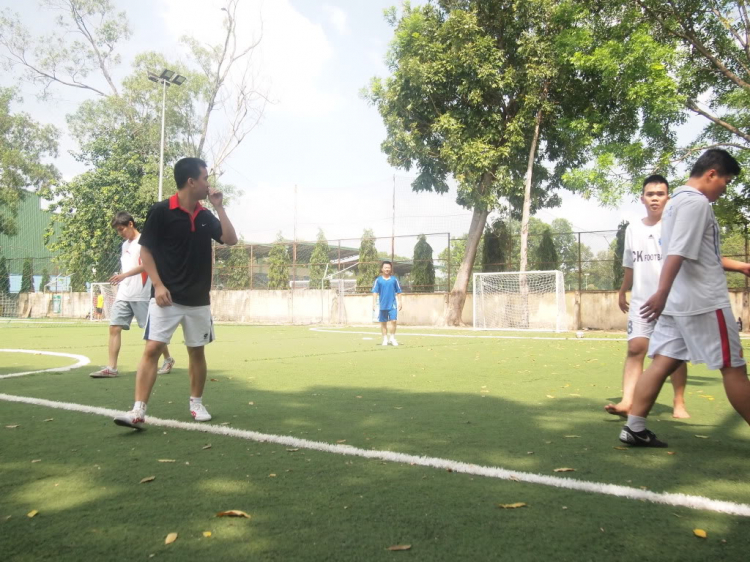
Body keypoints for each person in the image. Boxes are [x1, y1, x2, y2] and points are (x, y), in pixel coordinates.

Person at [620, 149, 750, 447]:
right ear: (712, 174)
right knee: (733, 367)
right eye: (726, 181)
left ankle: (634, 428)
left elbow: (700, 254)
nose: (725, 188)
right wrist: (661, 293)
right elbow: (677, 252)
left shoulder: (676, 203)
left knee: (663, 361)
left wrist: (741, 266)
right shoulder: (696, 203)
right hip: (702, 301)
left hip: (679, 302)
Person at [114, 158, 238, 429]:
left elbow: (230, 239)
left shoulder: (205, 216)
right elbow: (146, 251)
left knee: (197, 351)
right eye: (205, 178)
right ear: (191, 181)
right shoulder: (160, 211)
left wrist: (219, 207)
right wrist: (157, 285)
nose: (208, 183)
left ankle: (196, 403)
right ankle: (137, 411)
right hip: (166, 297)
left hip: (198, 300)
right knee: (153, 349)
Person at [605, 175, 689, 418]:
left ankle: (679, 402)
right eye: (650, 194)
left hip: (672, 300)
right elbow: (630, 264)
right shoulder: (633, 228)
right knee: (635, 348)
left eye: (660, 194)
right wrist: (623, 290)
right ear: (642, 198)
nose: (655, 198)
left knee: (674, 355)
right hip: (642, 301)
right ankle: (627, 401)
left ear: (668, 197)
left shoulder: (675, 226)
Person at [90, 212, 175, 378]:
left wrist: (124, 275)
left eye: (122, 229)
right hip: (124, 294)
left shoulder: (145, 242)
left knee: (152, 333)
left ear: (130, 224)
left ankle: (168, 359)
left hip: (141, 294)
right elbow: (127, 267)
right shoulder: (124, 245)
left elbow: (147, 265)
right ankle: (111, 368)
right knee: (114, 327)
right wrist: (122, 277)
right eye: (117, 231)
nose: (120, 233)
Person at [372, 261, 402, 346]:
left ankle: (392, 338)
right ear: (382, 269)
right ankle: (385, 339)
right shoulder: (378, 280)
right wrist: (374, 303)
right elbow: (375, 292)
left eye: (388, 267)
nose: (387, 269)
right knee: (383, 322)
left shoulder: (394, 279)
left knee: (394, 321)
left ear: (391, 269)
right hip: (382, 304)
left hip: (392, 304)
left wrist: (400, 302)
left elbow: (399, 291)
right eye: (385, 267)